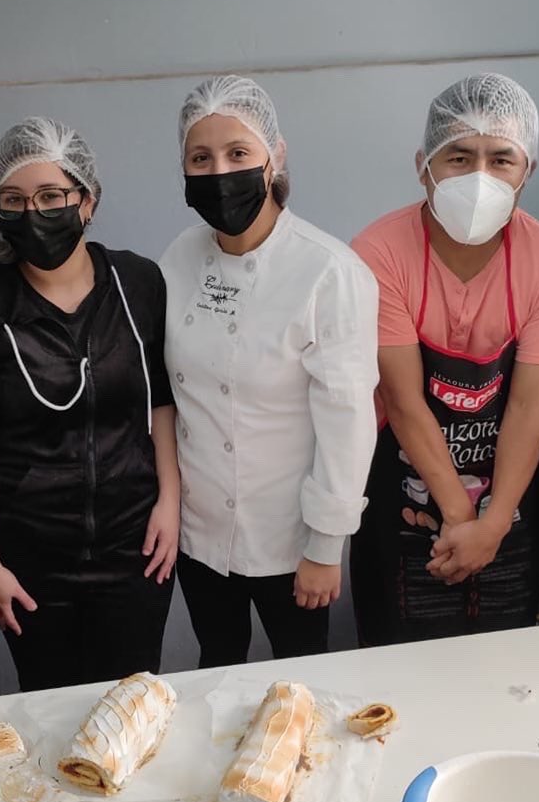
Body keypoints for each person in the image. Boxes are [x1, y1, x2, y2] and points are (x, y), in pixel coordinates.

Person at [350, 73, 539, 645]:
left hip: (509, 501)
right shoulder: (377, 253)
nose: (479, 176)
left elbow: (530, 407)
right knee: (399, 658)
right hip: (401, 489)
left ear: (527, 171)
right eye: (458, 156)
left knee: (501, 663)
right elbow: (404, 403)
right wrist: (462, 517)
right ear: (422, 165)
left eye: (501, 159)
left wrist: (495, 520)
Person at [0, 117, 178, 690]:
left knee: (132, 706)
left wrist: (170, 500)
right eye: (14, 200)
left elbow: (162, 402)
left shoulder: (138, 282)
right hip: (30, 561)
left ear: (88, 200)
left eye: (52, 196)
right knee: (48, 714)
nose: (35, 213)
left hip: (135, 549)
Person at [160, 75, 379, 667]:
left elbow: (348, 419)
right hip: (201, 533)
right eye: (200, 158)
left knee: (302, 677)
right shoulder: (178, 259)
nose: (218, 172)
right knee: (217, 664)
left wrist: (326, 546)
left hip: (292, 538)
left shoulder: (329, 270)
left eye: (237, 154)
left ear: (274, 157)